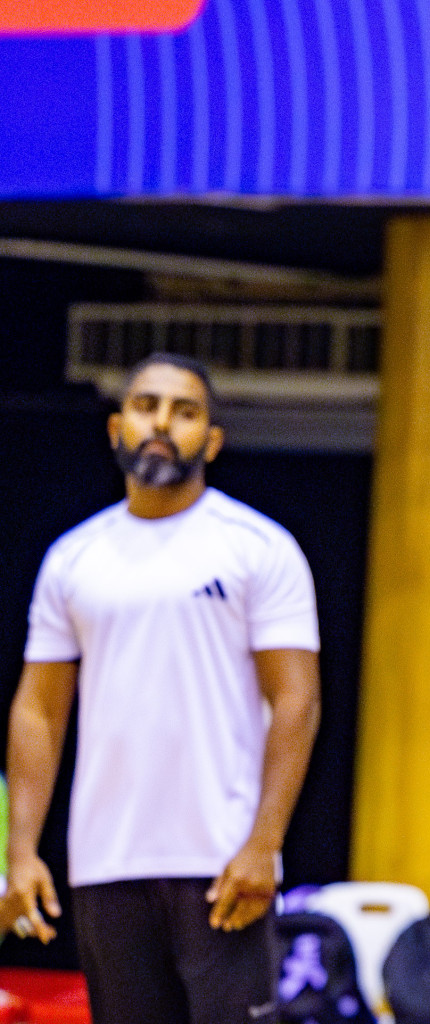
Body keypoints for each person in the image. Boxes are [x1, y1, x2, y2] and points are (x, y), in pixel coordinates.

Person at [2, 353, 322, 1024]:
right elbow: (38, 711)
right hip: (105, 865)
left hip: (223, 863)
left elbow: (297, 701)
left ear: (213, 440)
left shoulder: (259, 547)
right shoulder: (72, 558)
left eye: (185, 411)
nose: (162, 423)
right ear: (116, 426)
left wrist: (263, 844)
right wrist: (22, 851)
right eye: (146, 406)